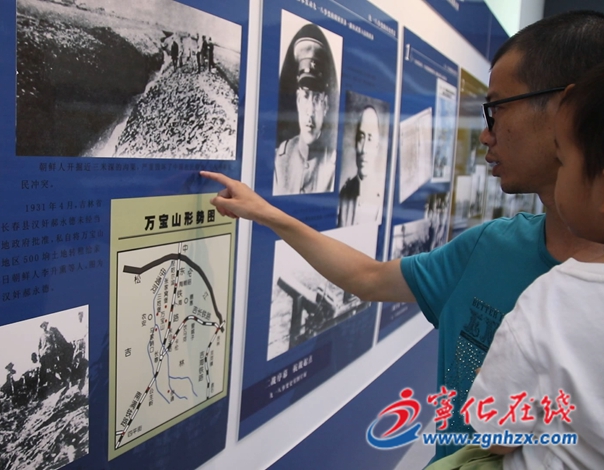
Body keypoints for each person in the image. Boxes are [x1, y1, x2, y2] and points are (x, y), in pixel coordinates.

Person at [201, 11, 604, 461]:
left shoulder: (572, 298)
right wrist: (268, 213)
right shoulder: (490, 247)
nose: (485, 136)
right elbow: (370, 278)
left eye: (497, 108)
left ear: (567, 109)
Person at [427, 61, 604, 470]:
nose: (486, 135)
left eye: (565, 159)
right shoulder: (492, 244)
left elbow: (494, 430)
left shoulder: (553, 299)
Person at [273, 24, 337, 195]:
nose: (310, 111)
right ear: (298, 101)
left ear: (326, 106)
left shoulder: (333, 165)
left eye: (317, 100)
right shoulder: (279, 159)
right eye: (306, 97)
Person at [338, 105, 385, 226]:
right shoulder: (344, 194)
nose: (364, 149)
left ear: (377, 147)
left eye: (370, 139)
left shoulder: (383, 198)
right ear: (355, 143)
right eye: (361, 138)